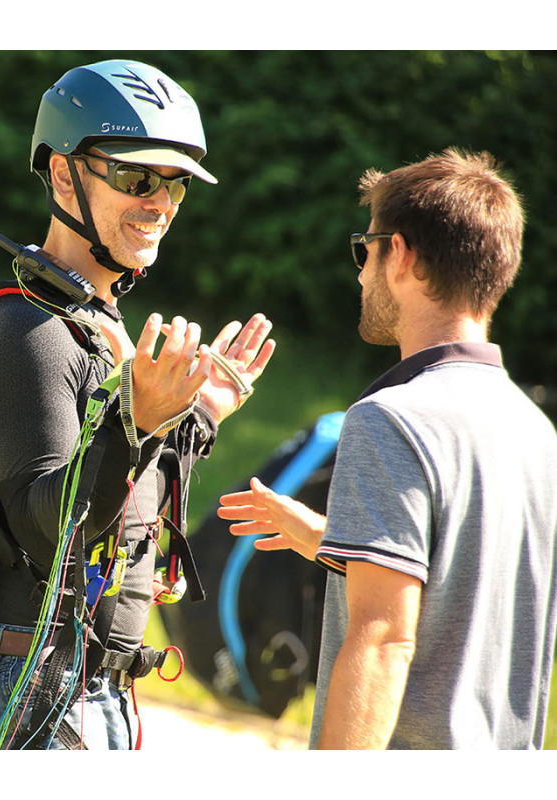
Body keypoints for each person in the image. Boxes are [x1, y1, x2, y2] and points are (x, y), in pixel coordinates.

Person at [0, 59, 275, 749]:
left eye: (176, 185)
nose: (159, 202)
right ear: (65, 174)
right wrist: (138, 419)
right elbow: (50, 530)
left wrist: (198, 417)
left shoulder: (96, 324)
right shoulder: (26, 332)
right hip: (33, 693)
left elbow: (125, 500)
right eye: (136, 178)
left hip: (98, 691)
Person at [218, 148, 557, 750]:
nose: (359, 272)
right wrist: (335, 540)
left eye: (363, 248)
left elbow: (382, 638)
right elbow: (461, 588)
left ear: (398, 253)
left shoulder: (391, 419)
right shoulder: (536, 433)